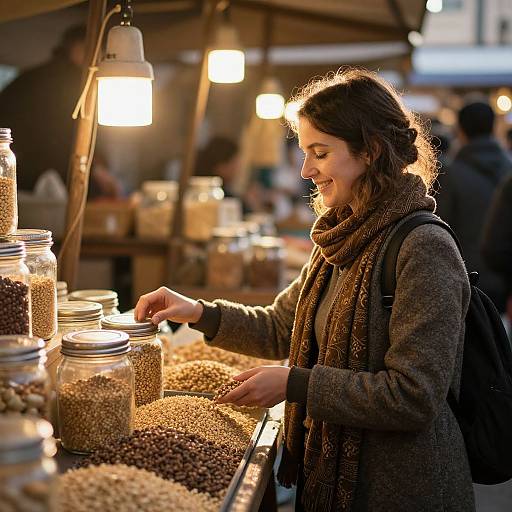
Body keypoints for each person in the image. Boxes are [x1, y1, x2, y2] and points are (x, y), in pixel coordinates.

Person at [135, 69, 474, 511]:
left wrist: (296, 384)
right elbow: (280, 326)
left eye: (320, 153)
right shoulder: (340, 237)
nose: (305, 170)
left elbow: (414, 395)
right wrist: (197, 311)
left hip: (402, 489)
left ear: (370, 151)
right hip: (331, 483)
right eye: (305, 152)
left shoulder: (424, 248)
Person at [436, 101, 512, 312]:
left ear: (460, 130)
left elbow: (441, 228)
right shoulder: (509, 168)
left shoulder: (451, 175)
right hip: (505, 281)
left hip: (469, 280)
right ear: (494, 127)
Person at [0, 25, 86, 190]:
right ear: (78, 48)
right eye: (98, 53)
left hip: (12, 170)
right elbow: (60, 134)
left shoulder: (30, 76)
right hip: (39, 173)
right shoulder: (70, 82)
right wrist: (94, 169)